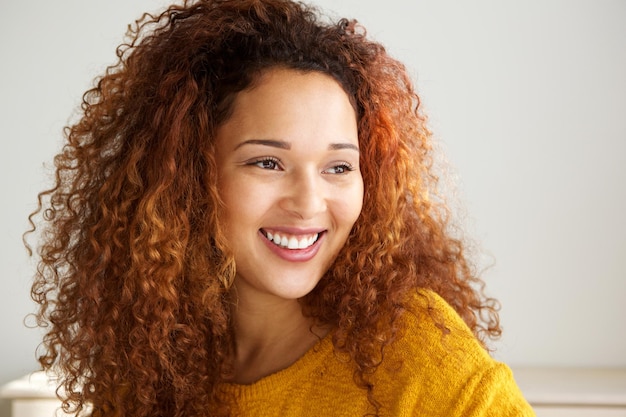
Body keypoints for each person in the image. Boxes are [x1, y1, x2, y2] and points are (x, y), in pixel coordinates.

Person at [26, 0, 535, 416]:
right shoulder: (151, 364)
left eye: (338, 167)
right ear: (187, 175)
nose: (310, 203)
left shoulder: (414, 352)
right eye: (268, 162)